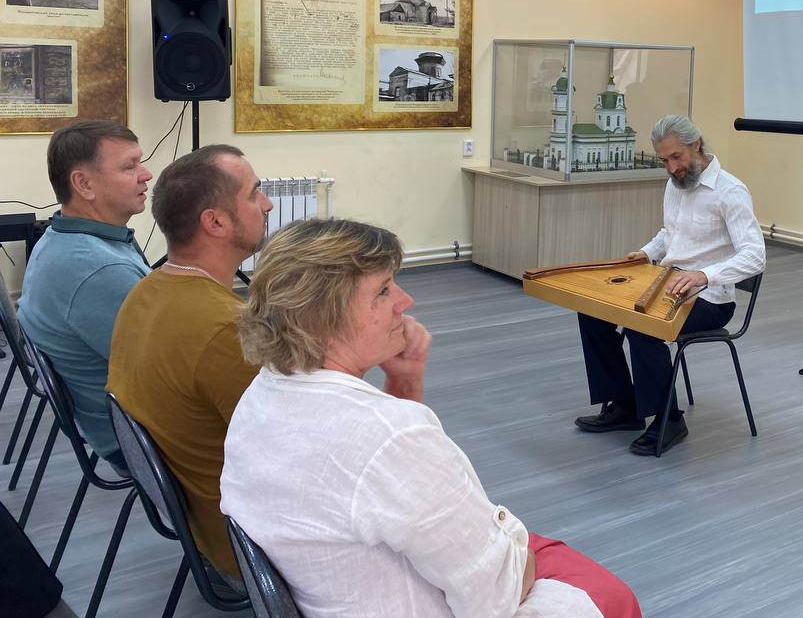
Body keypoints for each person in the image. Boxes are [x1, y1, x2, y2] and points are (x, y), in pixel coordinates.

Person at [221, 218, 641, 618]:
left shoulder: (261, 394)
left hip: (336, 592)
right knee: (612, 595)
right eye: (383, 291)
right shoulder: (390, 438)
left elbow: (378, 483)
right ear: (322, 316)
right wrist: (510, 535)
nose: (405, 301)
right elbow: (497, 592)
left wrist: (404, 383)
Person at [107, 144, 272, 586]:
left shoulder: (146, 291)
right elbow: (310, 457)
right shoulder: (226, 331)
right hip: (248, 548)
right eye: (254, 193)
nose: (268, 204)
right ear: (215, 222)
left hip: (200, 527)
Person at [575, 115, 765, 456]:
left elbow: (755, 257)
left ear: (696, 145)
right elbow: (670, 234)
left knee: (642, 328)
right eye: (664, 160)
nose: (672, 168)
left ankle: (669, 420)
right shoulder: (674, 184)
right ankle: (625, 405)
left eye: (676, 157)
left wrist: (704, 275)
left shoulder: (730, 191)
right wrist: (646, 252)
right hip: (667, 284)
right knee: (592, 311)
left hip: (711, 299)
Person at [17, 120, 152, 471]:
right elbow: (171, 375)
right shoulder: (98, 270)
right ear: (84, 184)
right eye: (130, 166)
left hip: (121, 424)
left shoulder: (60, 237)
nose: (146, 174)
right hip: (139, 443)